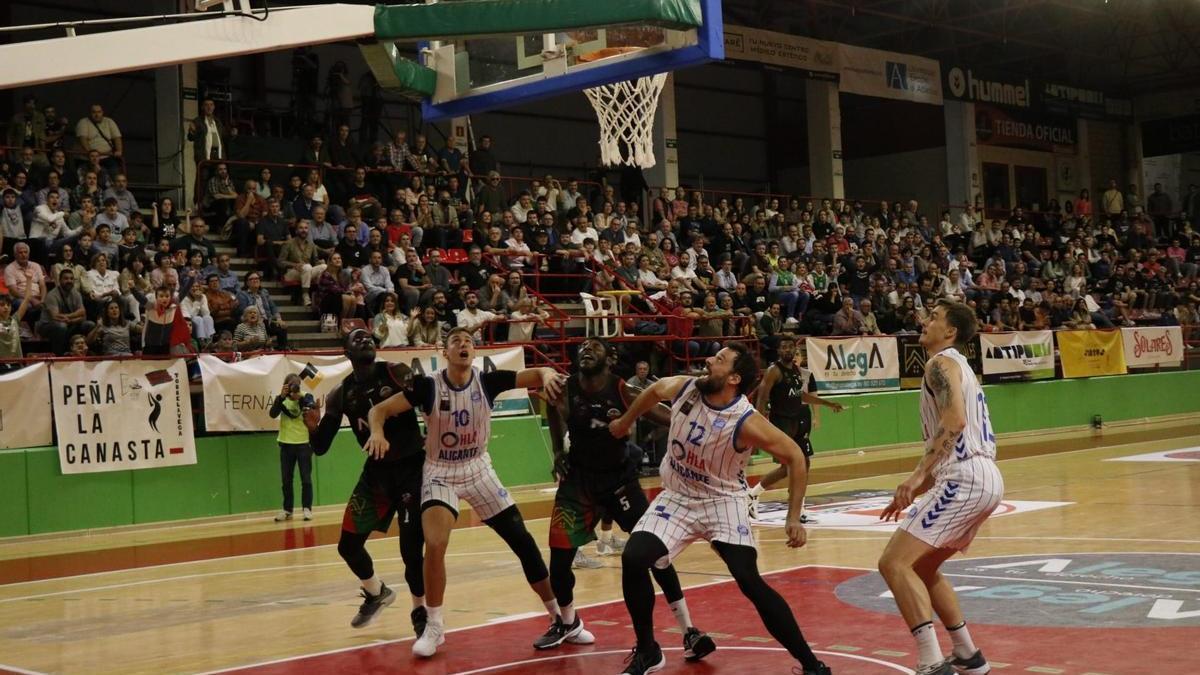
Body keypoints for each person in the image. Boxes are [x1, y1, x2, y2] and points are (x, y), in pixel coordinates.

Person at [607, 343, 829, 675]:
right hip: (678, 497)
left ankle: (812, 666)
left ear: (734, 378)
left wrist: (793, 517)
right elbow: (653, 391)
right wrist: (626, 422)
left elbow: (796, 457)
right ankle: (649, 650)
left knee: (749, 580)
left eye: (719, 361)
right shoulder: (685, 387)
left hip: (722, 502)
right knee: (634, 558)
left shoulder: (746, 421)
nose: (709, 361)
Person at [365, 328, 565, 658]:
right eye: (457, 342)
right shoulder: (427, 385)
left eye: (469, 342)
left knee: (522, 539)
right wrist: (376, 432)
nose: (464, 346)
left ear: (474, 352)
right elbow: (379, 411)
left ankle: (560, 617)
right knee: (436, 543)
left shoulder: (489, 380)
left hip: (478, 469)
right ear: (446, 352)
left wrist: (546, 372)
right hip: (441, 472)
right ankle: (434, 625)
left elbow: (536, 373)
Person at [536, 338, 715, 657]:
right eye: (583, 347)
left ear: (610, 357)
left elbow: (668, 417)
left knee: (657, 554)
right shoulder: (563, 388)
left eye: (595, 346)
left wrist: (705, 433)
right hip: (578, 483)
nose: (586, 350)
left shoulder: (625, 391)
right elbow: (552, 409)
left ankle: (689, 630)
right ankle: (568, 623)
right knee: (559, 561)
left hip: (620, 482)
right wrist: (557, 449)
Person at [877, 300, 1002, 675]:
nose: (924, 320)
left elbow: (955, 422)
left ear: (950, 332)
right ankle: (967, 654)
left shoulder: (939, 364)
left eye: (933, 317)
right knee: (925, 568)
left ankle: (931, 662)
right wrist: (919, 487)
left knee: (893, 564)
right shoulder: (960, 367)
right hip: (982, 476)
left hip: (964, 477)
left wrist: (916, 477)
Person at [310, 330, 430, 636]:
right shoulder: (341, 393)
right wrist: (312, 426)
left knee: (410, 549)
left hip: (411, 469)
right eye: (357, 338)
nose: (365, 340)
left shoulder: (394, 371)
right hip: (376, 475)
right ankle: (377, 592)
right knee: (347, 546)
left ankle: (421, 613)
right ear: (346, 351)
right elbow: (321, 446)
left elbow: (427, 397)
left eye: (368, 337)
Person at [747, 335, 845, 522]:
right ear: (778, 351)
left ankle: (798, 507)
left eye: (790, 347)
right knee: (788, 467)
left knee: (804, 464)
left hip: (798, 420)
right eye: (783, 347)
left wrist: (827, 403)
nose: (787, 351)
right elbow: (762, 397)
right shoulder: (773, 371)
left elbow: (801, 396)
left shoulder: (797, 371)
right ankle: (753, 494)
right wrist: (757, 424)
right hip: (781, 422)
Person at [269, 373, 317, 522]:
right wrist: (281, 397)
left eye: (296, 386)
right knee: (286, 480)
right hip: (286, 444)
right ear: (285, 387)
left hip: (303, 444)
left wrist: (299, 398)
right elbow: (272, 414)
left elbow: (311, 405)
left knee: (306, 479)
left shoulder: (305, 396)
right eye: (291, 387)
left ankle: (307, 509)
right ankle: (287, 509)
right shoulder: (281, 399)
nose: (294, 390)